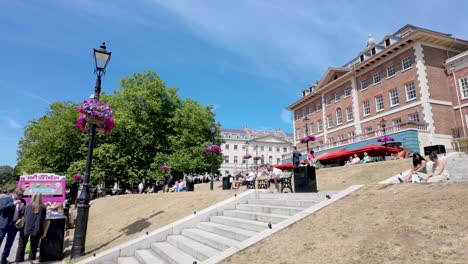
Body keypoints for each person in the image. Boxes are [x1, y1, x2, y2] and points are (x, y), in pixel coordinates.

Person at [16, 193, 46, 262]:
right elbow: (43, 219)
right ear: (41, 198)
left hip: (25, 227)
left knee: (21, 245)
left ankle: (18, 260)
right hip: (37, 229)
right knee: (34, 246)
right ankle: (31, 261)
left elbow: (23, 215)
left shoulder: (28, 205)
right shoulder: (43, 207)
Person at [0, 187, 25, 264]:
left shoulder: (22, 201)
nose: (21, 197)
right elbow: (2, 208)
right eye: (20, 195)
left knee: (9, 243)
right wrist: (14, 203)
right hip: (4, 224)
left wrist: (22, 209)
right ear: (15, 193)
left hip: (14, 225)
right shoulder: (6, 199)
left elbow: (22, 212)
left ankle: (3, 259)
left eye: (22, 195)